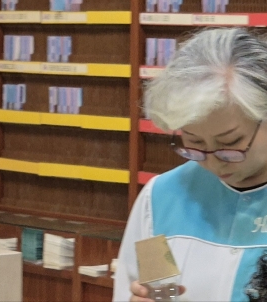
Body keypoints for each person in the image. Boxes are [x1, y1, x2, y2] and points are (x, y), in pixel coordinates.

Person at [114, 28, 267, 302]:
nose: (212, 160)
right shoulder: (161, 199)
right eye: (195, 142)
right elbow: (158, 288)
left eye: (230, 142)